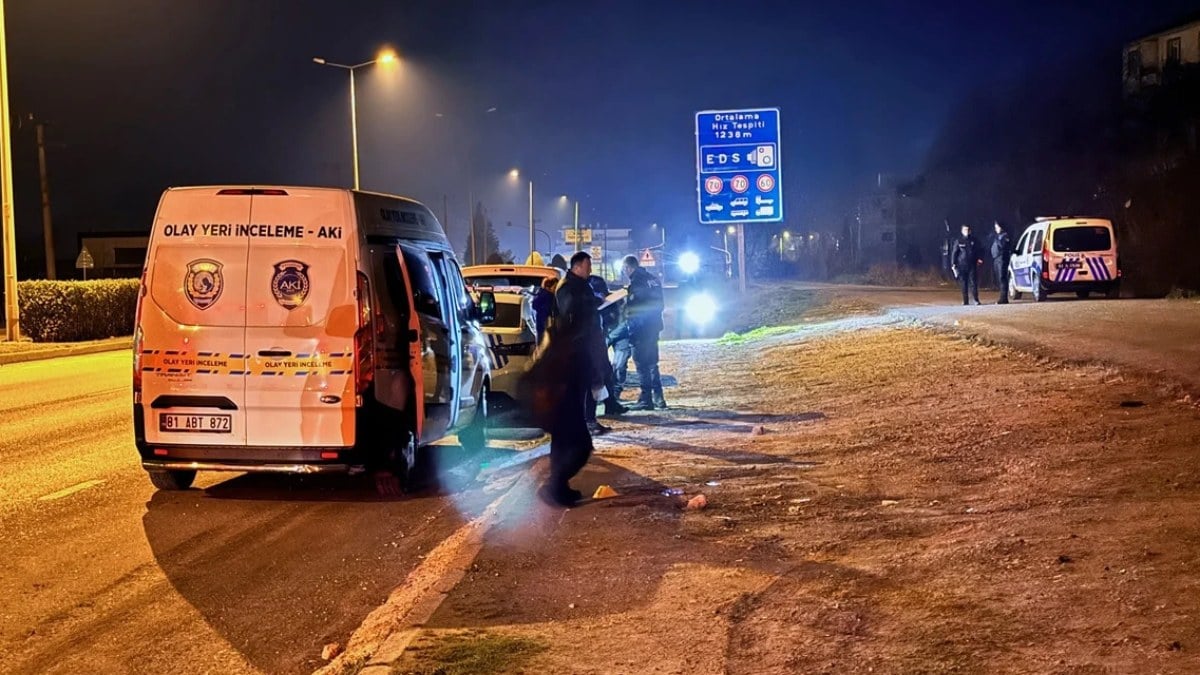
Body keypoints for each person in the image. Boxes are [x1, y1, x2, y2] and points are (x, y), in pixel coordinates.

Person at [540, 251, 607, 507]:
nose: (590, 269)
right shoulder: (569, 288)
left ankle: (559, 486)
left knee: (571, 434)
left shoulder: (580, 287)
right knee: (576, 438)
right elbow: (571, 319)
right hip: (569, 368)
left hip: (577, 366)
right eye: (588, 265)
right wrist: (592, 304)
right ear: (577, 266)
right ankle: (555, 485)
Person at [621, 255, 667, 410]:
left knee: (641, 364)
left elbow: (635, 311)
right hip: (654, 327)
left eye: (624, 269)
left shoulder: (636, 283)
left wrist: (631, 329)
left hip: (641, 330)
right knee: (653, 362)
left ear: (628, 268)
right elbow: (660, 305)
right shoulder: (653, 279)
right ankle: (659, 398)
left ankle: (646, 399)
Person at [951, 225, 983, 306]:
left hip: (972, 264)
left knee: (973, 283)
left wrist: (980, 258)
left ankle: (976, 300)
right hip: (962, 265)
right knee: (964, 284)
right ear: (962, 231)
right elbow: (954, 253)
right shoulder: (959, 241)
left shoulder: (974, 240)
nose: (967, 231)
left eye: (968, 230)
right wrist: (953, 263)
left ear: (970, 231)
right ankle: (965, 301)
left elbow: (980, 250)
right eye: (965, 230)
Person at [990, 221, 1013, 305]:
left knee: (1002, 278)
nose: (996, 229)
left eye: (997, 227)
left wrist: (996, 239)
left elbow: (1002, 246)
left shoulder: (1005, 236)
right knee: (999, 279)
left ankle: (1003, 298)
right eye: (995, 227)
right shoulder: (998, 236)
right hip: (997, 259)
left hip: (1002, 259)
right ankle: (1002, 297)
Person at [531, 276, 557, 344]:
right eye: (554, 287)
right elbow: (535, 305)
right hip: (544, 320)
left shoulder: (544, 294)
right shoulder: (546, 295)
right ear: (548, 287)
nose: (555, 289)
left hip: (544, 320)